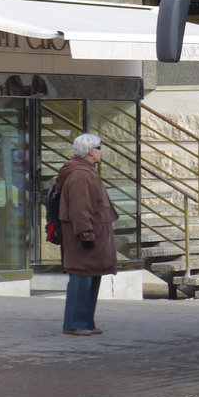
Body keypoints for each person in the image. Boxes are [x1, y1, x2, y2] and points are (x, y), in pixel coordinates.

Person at [56, 133, 118, 336]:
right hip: (85, 237)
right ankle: (75, 323)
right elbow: (80, 208)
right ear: (92, 151)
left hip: (94, 235)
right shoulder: (81, 175)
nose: (101, 152)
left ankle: (85, 322)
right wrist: (86, 233)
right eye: (99, 148)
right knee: (82, 279)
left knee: (90, 278)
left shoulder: (85, 172)